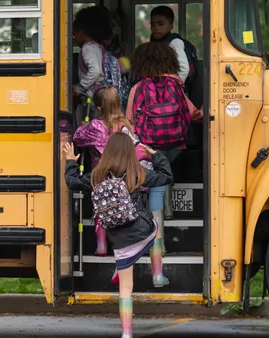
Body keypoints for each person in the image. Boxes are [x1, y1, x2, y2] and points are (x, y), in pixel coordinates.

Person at [63, 132, 173, 338]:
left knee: (125, 288)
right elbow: (166, 176)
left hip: (119, 240)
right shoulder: (136, 172)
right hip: (142, 230)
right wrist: (155, 154)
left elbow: (72, 182)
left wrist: (70, 161)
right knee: (156, 229)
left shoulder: (97, 175)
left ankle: (126, 333)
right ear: (130, 151)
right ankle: (157, 273)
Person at [126, 42, 199, 252]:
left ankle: (158, 243)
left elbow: (130, 120)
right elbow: (192, 112)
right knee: (166, 170)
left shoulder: (138, 89)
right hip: (176, 145)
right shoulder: (176, 86)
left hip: (149, 148)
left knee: (154, 186)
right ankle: (167, 210)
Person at [73, 87, 152, 265]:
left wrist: (83, 126)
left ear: (99, 108)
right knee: (125, 205)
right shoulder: (127, 126)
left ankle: (101, 246)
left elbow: (78, 138)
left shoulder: (96, 126)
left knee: (100, 207)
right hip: (125, 176)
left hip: (102, 174)